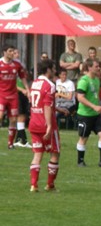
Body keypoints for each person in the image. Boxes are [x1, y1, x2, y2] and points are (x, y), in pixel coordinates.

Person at [75, 58, 101, 168]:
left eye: (99, 66)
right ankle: (80, 161)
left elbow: (94, 96)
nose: (98, 68)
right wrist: (94, 106)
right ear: (89, 68)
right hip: (85, 114)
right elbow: (80, 98)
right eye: (96, 66)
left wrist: (98, 106)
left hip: (96, 114)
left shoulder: (97, 80)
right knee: (84, 138)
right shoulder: (84, 81)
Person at [28, 58, 60, 192]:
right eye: (53, 68)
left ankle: (33, 185)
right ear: (48, 69)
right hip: (45, 124)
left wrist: (58, 109)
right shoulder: (50, 85)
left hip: (34, 123)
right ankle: (50, 185)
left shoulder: (35, 83)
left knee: (37, 154)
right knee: (55, 153)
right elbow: (46, 106)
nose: (55, 71)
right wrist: (49, 126)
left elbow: (39, 102)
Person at [0, 43, 30, 150]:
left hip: (13, 96)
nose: (12, 53)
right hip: (2, 95)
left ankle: (10, 143)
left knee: (13, 119)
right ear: (4, 52)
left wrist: (27, 89)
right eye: (10, 51)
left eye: (13, 51)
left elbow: (22, 77)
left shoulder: (17, 64)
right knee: (0, 116)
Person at [13, 49, 32, 148]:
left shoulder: (19, 65)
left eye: (18, 53)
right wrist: (22, 89)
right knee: (20, 115)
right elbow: (10, 83)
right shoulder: (10, 66)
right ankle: (22, 140)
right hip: (16, 93)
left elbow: (23, 78)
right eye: (15, 53)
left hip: (23, 93)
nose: (17, 54)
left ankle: (19, 139)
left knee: (23, 115)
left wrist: (27, 89)